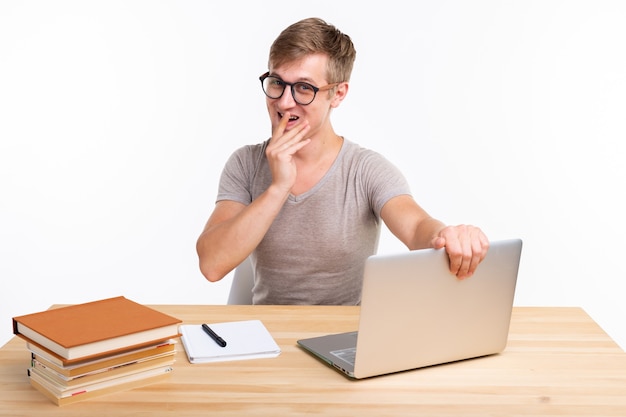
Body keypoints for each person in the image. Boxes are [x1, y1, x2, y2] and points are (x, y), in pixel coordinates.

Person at [196, 17, 489, 305]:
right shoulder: (245, 164)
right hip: (270, 335)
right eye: (277, 83)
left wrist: (447, 236)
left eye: (303, 88)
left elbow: (416, 228)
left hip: (345, 339)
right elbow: (212, 264)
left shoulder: (365, 170)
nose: (284, 102)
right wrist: (278, 187)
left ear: (337, 94)